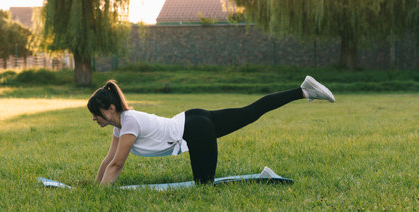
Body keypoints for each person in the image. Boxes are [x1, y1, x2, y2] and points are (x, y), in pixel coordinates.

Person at [87, 75, 335, 185]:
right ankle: (303, 91)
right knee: (250, 112)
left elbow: (117, 165)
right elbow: (108, 160)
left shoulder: (129, 122)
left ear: (110, 108)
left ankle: (263, 180)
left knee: (204, 186)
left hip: (195, 130)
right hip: (194, 119)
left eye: (97, 114)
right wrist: (95, 187)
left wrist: (102, 196)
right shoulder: (120, 125)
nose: (95, 119)